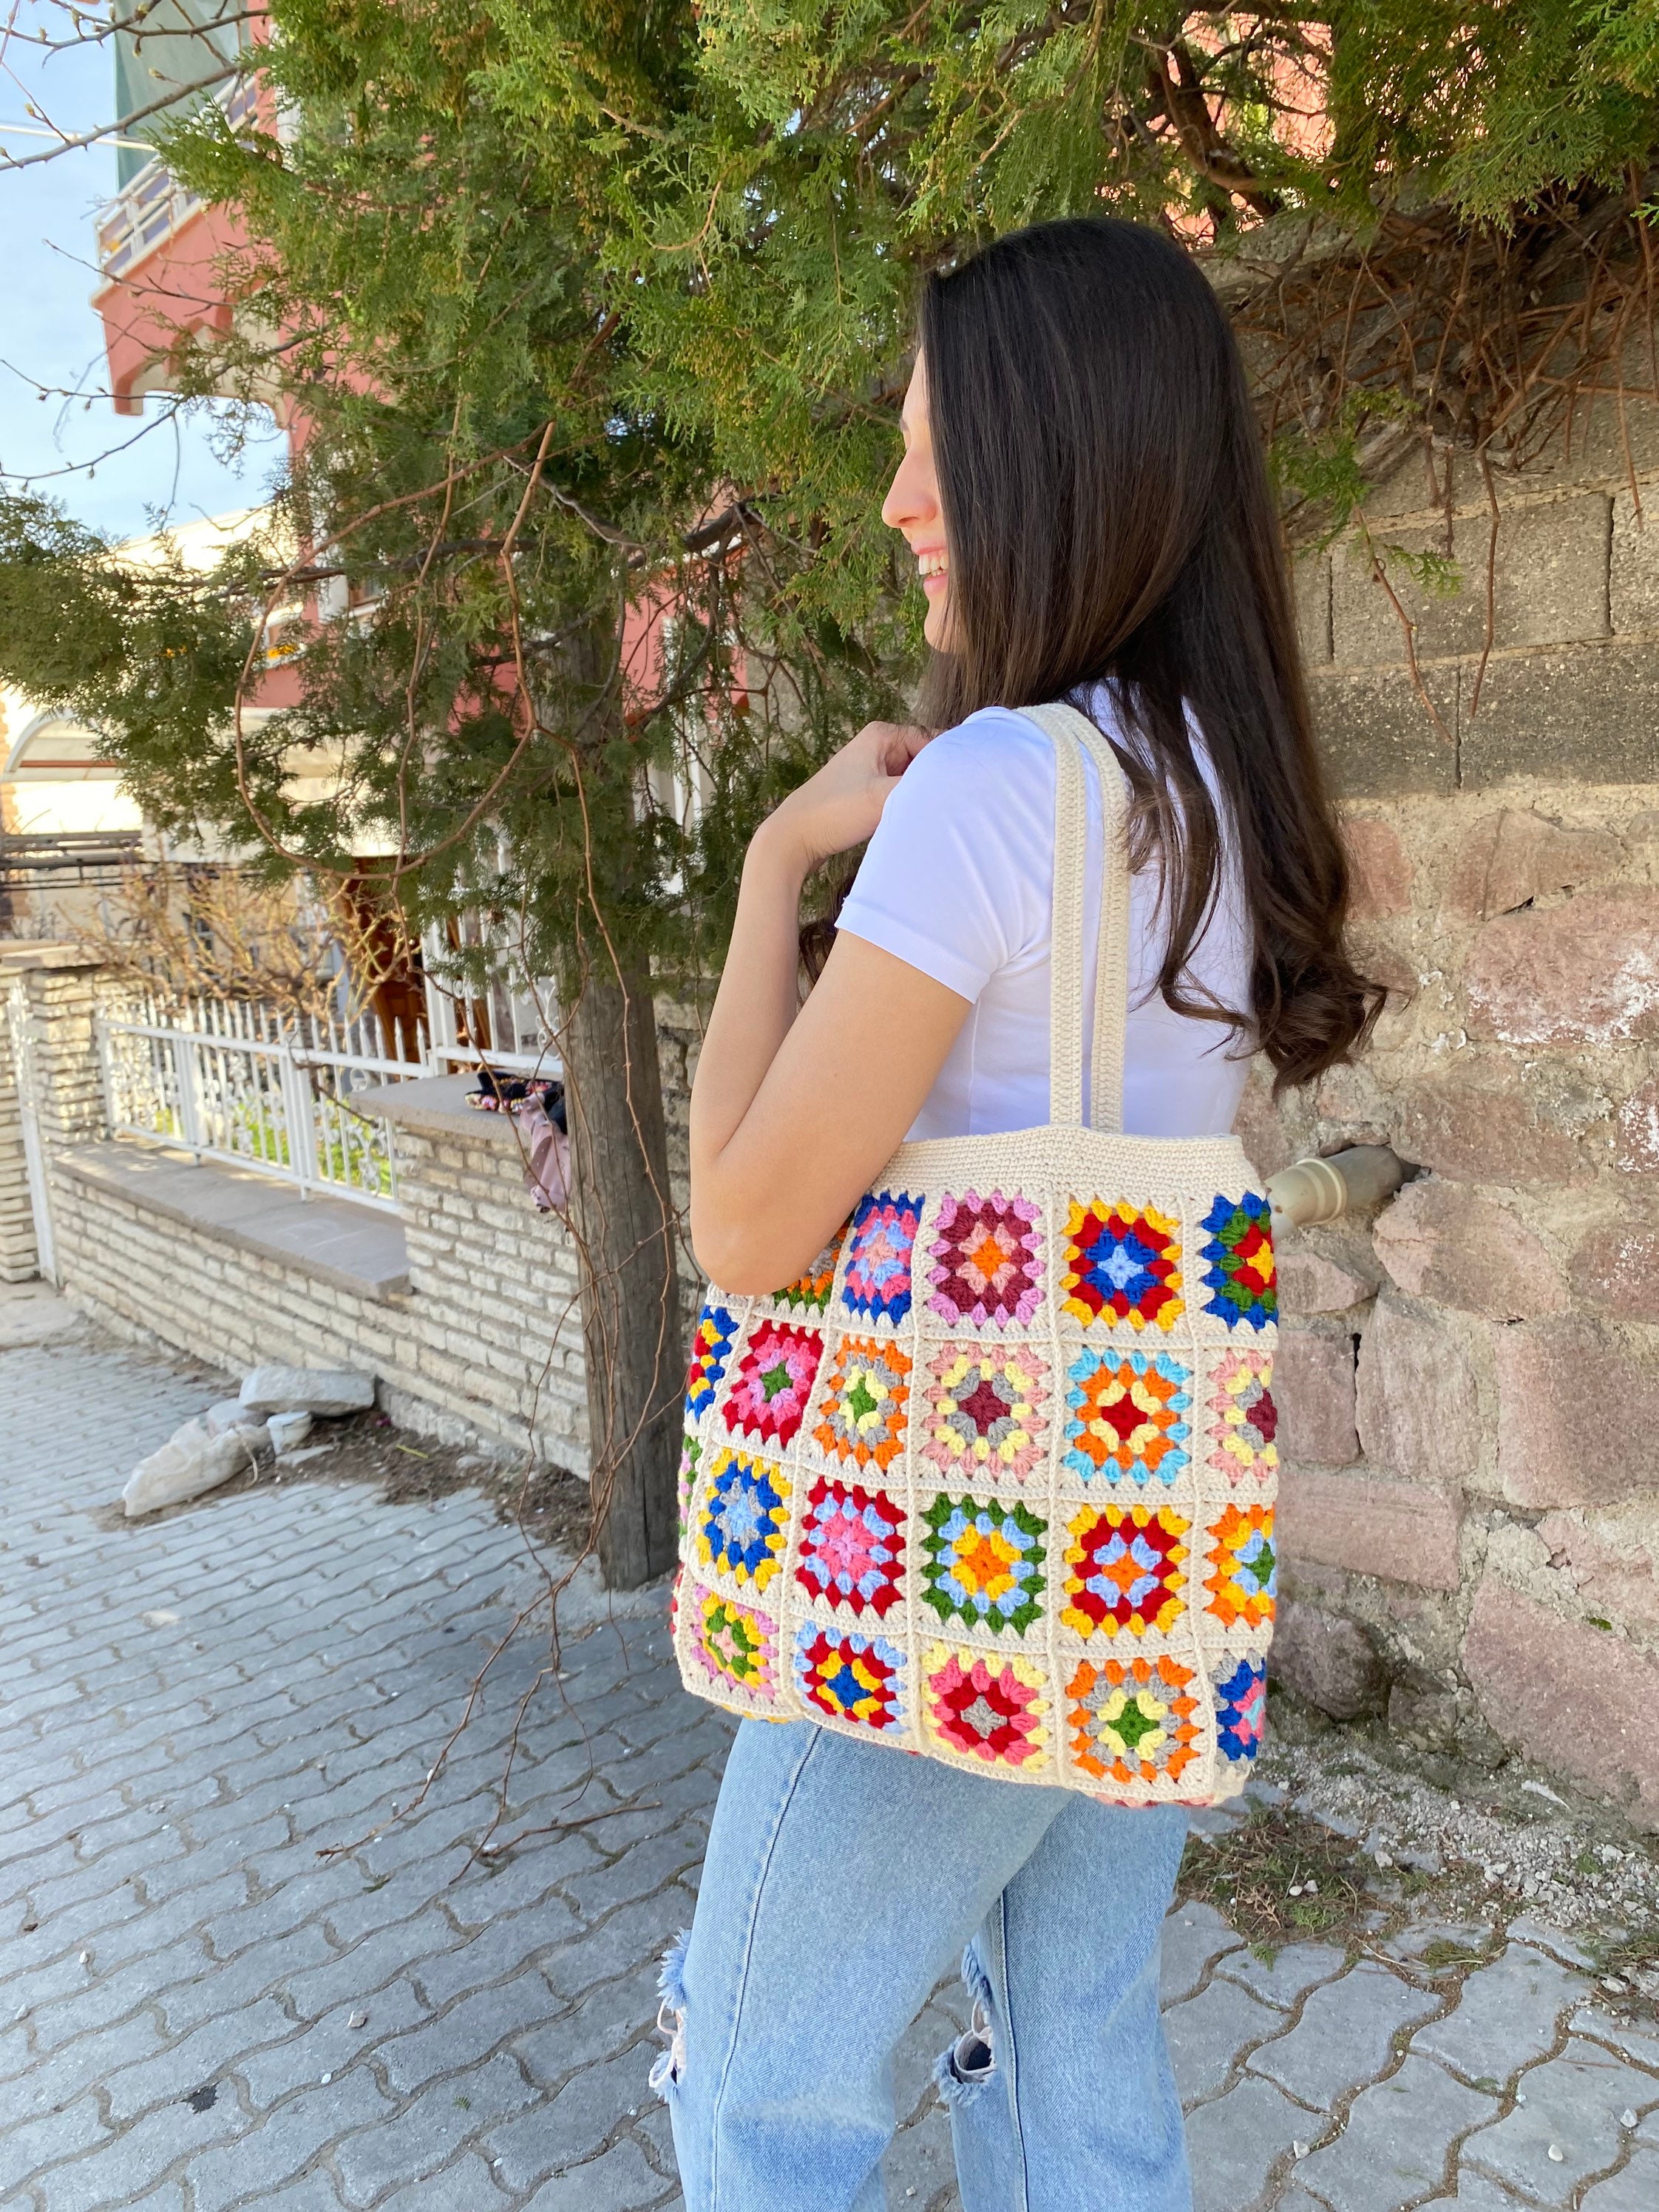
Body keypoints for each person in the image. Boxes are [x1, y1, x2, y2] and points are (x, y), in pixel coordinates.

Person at [662, 216, 1380, 2212]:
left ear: (1066, 460)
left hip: (945, 1568)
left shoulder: (988, 792)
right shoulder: (1226, 798)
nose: (896, 502)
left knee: (759, 2085)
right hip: (1132, 1556)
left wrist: (763, 874)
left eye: (935, 453)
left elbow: (741, 1230)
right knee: (1069, 2055)